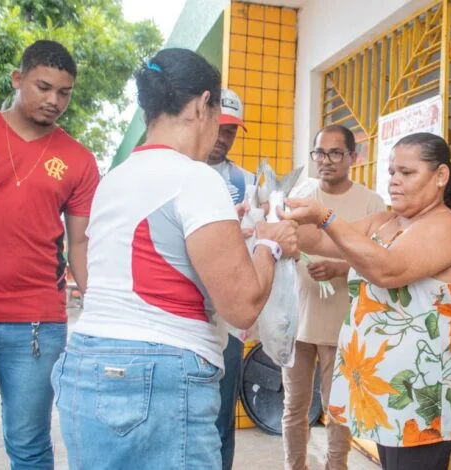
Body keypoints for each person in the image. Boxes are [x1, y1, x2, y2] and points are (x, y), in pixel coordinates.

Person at [51, 48, 298, 469]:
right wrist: (269, 245)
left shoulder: (115, 179)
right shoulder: (194, 178)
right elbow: (240, 306)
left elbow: (154, 251)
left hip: (86, 367)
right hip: (158, 376)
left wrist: (230, 233)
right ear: (203, 104)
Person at [282, 132, 451, 470]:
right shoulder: (386, 221)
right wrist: (275, 218)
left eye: (407, 173)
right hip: (387, 393)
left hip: (420, 395)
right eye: (391, 173)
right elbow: (324, 242)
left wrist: (325, 216)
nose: (395, 181)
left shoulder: (448, 228)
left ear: (441, 176)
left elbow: (387, 270)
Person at [0, 40, 99, 469]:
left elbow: (79, 242)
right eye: (44, 87)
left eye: (64, 92)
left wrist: (97, 306)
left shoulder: (79, 160)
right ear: (17, 79)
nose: (54, 101)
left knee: (29, 446)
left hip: (36, 325)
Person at [282, 124, 385, 470]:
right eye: (319, 153)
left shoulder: (371, 202)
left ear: (353, 157)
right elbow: (285, 241)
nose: (325, 161)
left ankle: (334, 466)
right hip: (298, 319)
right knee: (294, 408)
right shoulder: (301, 194)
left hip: (344, 324)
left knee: (337, 409)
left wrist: (340, 268)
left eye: (335, 153)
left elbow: (378, 259)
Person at [207, 87, 255, 470]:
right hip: (180, 315)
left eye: (232, 131)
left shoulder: (247, 183)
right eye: (220, 126)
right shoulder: (176, 172)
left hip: (227, 321)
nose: (224, 137)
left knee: (222, 417)